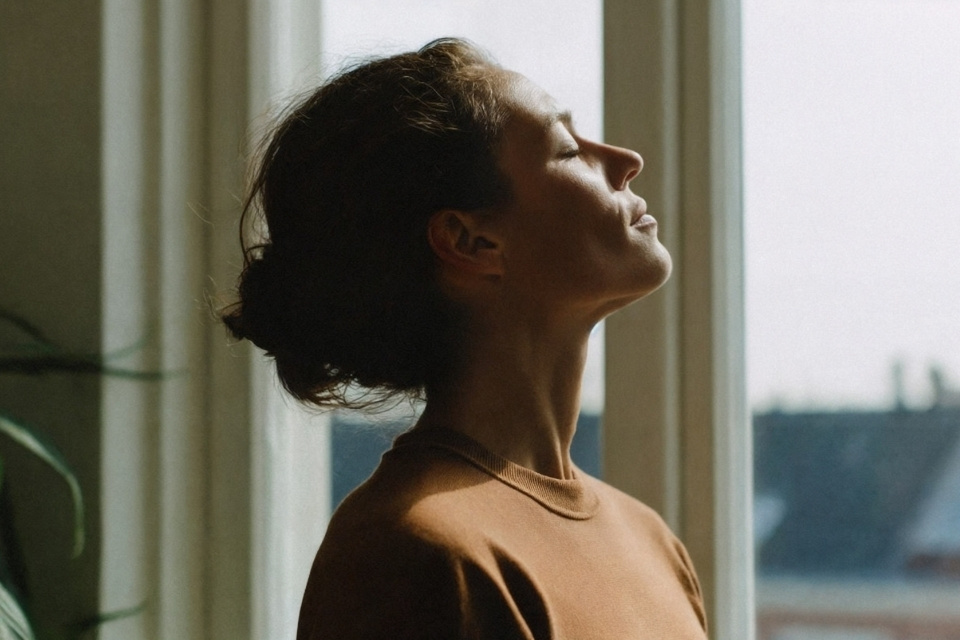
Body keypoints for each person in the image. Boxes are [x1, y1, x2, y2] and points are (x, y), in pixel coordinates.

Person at [224, 38, 707, 640]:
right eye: (566, 150)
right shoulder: (412, 554)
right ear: (470, 241)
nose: (625, 158)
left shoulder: (652, 542)